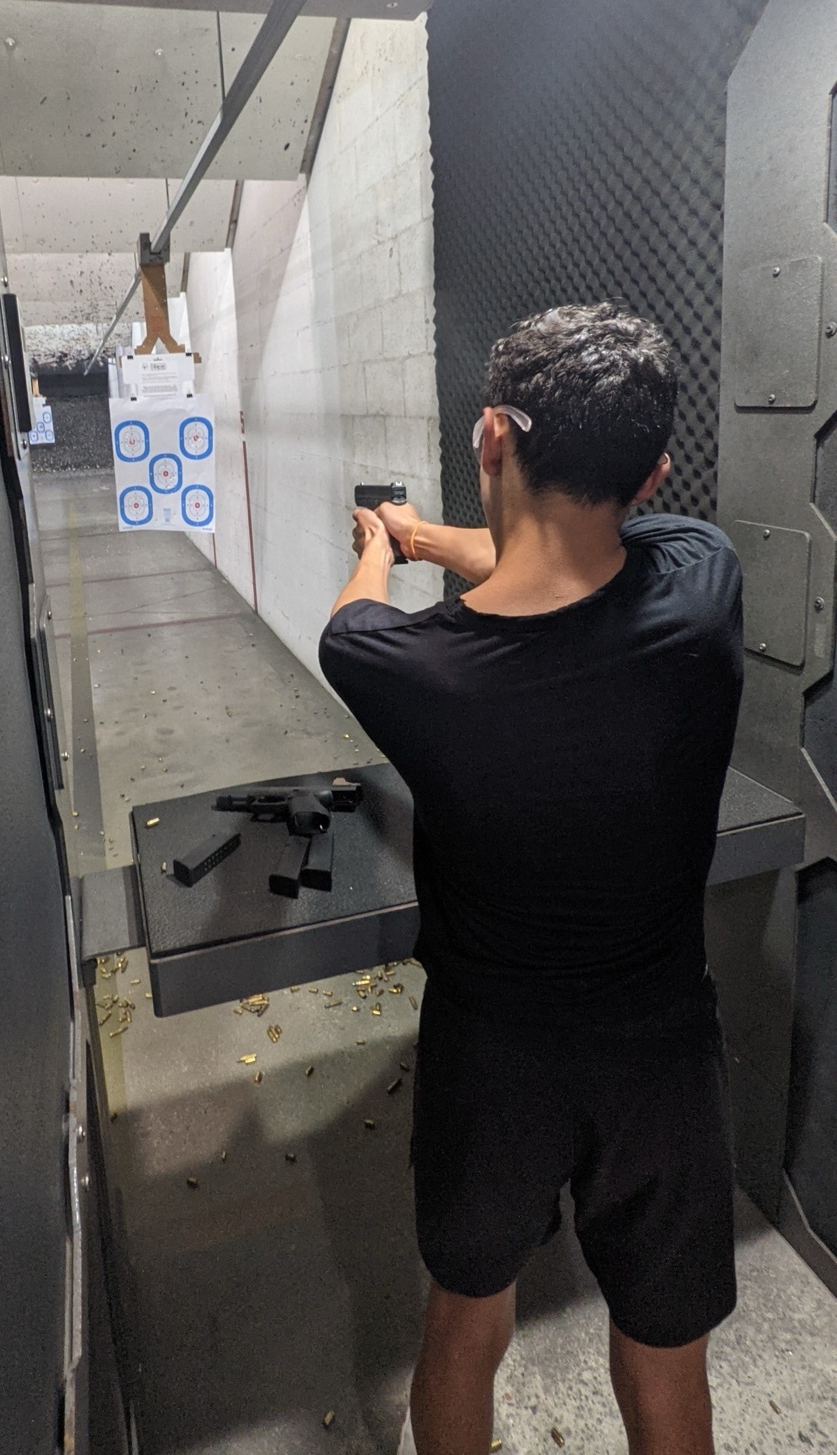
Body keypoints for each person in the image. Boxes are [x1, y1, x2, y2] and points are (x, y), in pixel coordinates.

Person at [318, 303, 743, 1455]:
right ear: (653, 472)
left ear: (491, 439)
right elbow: (571, 568)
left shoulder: (398, 666)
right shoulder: (702, 585)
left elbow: (352, 620)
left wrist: (380, 541)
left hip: (492, 1056)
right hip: (662, 1056)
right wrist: (433, 534)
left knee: (463, 1323)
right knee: (669, 1361)